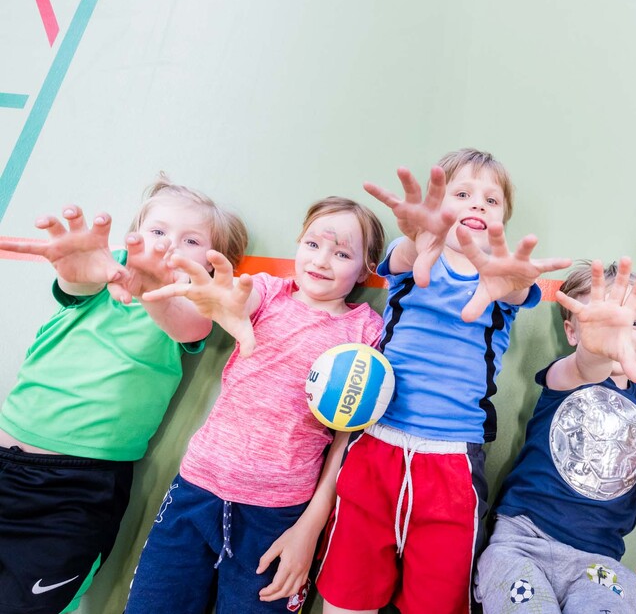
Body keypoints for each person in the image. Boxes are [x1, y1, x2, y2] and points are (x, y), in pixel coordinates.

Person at [315, 148, 571, 614]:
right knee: (347, 599)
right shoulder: (415, 258)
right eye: (462, 194)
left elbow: (515, 287)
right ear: (437, 209)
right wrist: (420, 237)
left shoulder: (502, 278)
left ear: (502, 222)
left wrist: (509, 275)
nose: (477, 205)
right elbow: (407, 253)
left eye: (491, 201)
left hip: (452, 464)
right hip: (376, 445)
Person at [124, 196, 386, 614]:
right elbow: (229, 306)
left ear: (365, 268)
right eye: (314, 244)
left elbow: (347, 444)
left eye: (342, 253)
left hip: (277, 517)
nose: (322, 260)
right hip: (196, 492)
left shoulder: (365, 330)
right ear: (299, 243)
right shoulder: (266, 290)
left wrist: (309, 528)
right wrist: (214, 300)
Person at [0, 174, 248, 614]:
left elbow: (189, 325)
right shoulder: (104, 271)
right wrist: (76, 276)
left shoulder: (192, 299)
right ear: (135, 236)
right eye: (157, 232)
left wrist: (153, 290)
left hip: (77, 488)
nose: (168, 245)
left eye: (190, 240)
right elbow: (77, 286)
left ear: (210, 263)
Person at [474, 258, 636, 614]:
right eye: (604, 322)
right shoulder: (564, 376)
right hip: (521, 545)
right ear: (572, 333)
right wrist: (596, 347)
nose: (622, 333)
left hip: (598, 565)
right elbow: (587, 364)